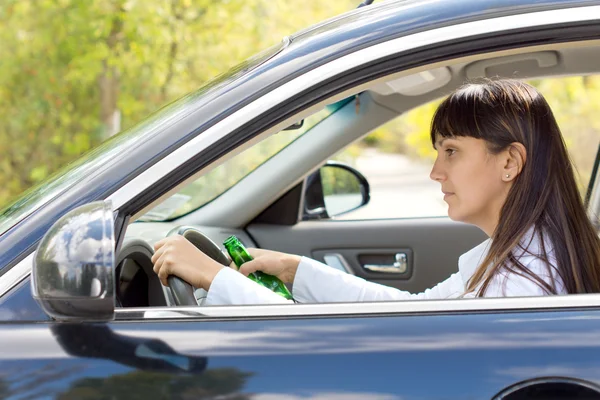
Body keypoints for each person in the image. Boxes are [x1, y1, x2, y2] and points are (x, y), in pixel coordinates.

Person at [151, 78, 600, 305]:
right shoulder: (516, 255)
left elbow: (342, 346)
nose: (435, 173)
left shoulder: (520, 285)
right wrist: (293, 269)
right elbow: (413, 313)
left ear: (510, 162)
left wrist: (215, 278)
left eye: (451, 151)